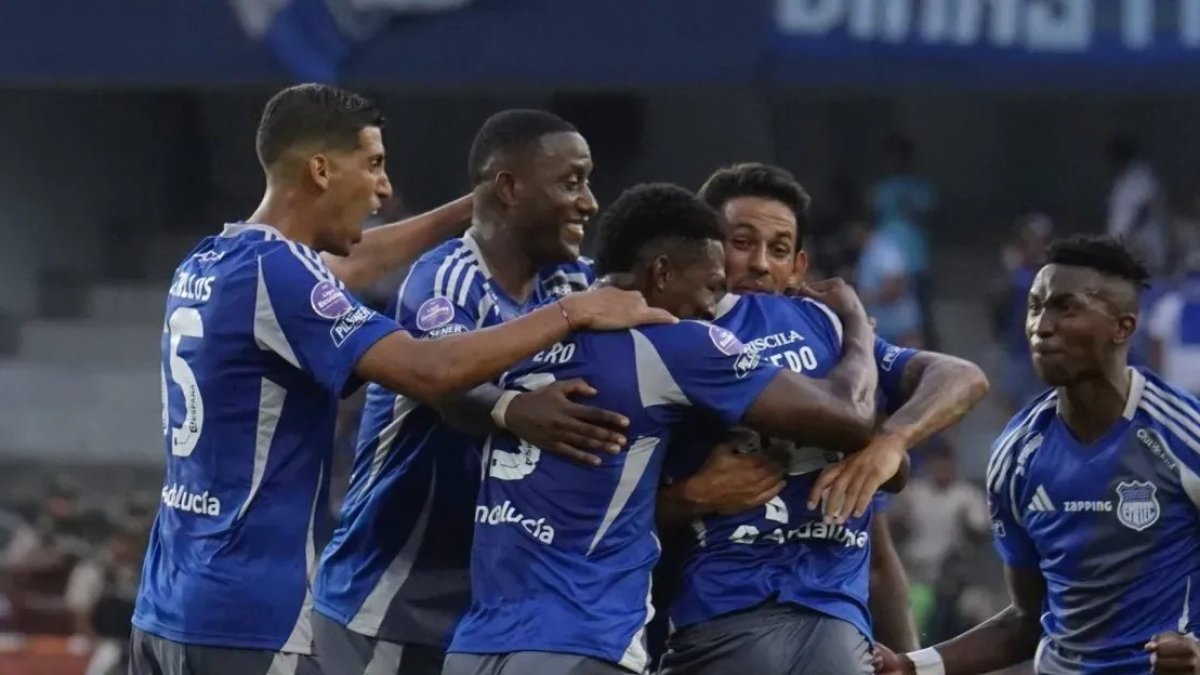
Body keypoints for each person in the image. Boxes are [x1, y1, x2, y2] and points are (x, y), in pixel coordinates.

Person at [129, 85, 671, 675]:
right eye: (374, 164)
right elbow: (428, 370)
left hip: (168, 603)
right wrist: (573, 312)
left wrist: (477, 208)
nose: (384, 189)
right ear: (321, 170)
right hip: (246, 613)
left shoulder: (213, 259)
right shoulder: (281, 275)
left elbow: (348, 264)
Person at [444, 182, 889, 675]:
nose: (712, 309)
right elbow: (849, 419)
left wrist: (508, 408)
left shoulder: (524, 336)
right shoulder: (674, 344)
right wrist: (855, 322)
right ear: (661, 273)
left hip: (474, 645)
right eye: (711, 287)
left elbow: (442, 385)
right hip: (583, 638)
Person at [312, 108, 631, 675]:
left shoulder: (576, 283)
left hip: (496, 613)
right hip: (388, 604)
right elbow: (445, 384)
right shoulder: (446, 280)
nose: (588, 203)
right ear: (509, 188)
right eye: (571, 182)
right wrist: (511, 409)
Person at [655, 163, 988, 675]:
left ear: (799, 267)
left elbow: (962, 376)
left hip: (761, 626)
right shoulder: (832, 334)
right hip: (768, 626)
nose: (760, 264)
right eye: (742, 242)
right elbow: (961, 377)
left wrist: (889, 443)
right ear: (706, 250)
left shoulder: (825, 332)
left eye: (778, 249)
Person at [876, 235, 1200, 675]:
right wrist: (910, 666)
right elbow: (1026, 620)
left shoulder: (1183, 434)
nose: (1040, 326)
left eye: (1066, 307)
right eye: (1034, 307)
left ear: (1123, 327)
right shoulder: (1016, 453)